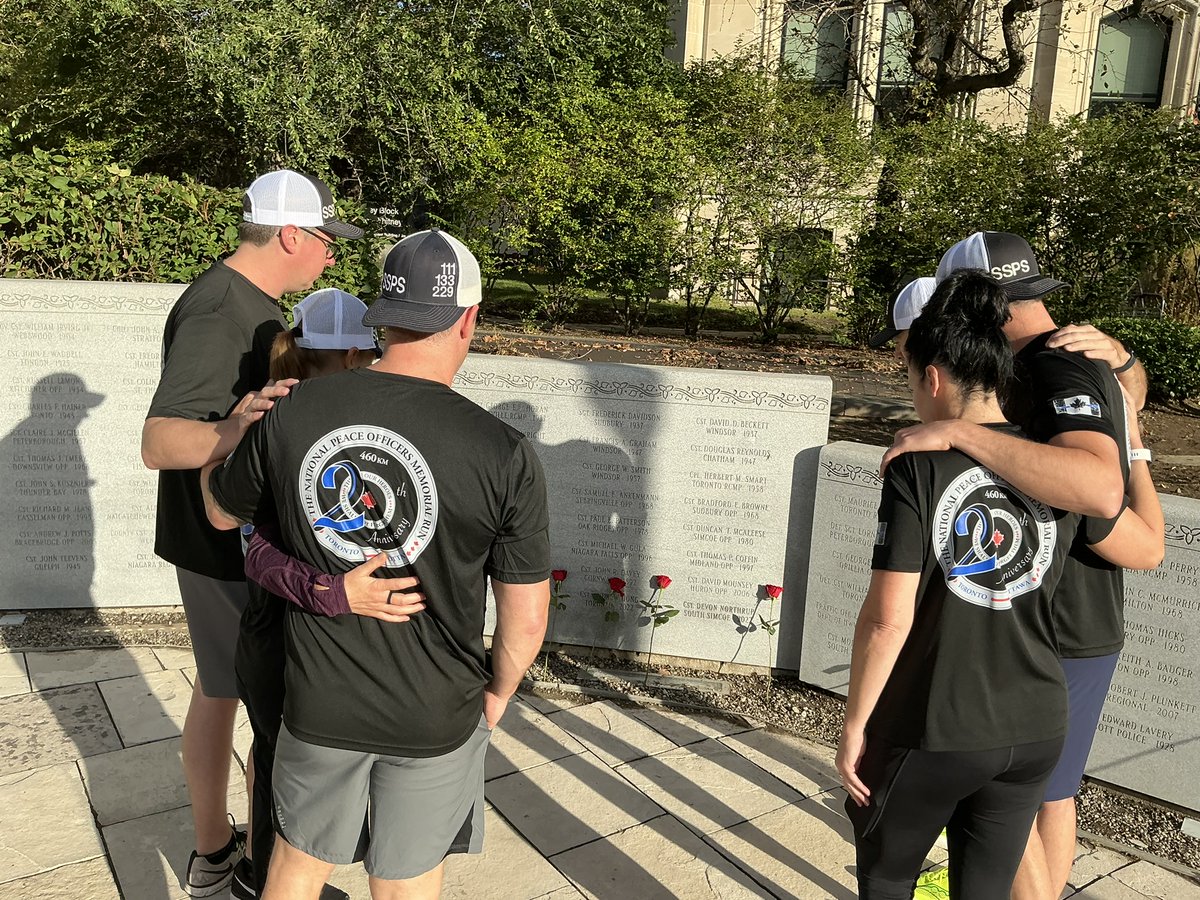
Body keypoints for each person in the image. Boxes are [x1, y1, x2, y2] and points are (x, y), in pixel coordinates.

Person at [204, 228, 551, 900]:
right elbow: (526, 618)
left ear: (382, 317)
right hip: (436, 710)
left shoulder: (295, 408)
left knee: (297, 867)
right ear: (470, 318)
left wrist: (228, 437)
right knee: (405, 883)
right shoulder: (504, 452)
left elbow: (222, 513)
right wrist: (498, 694)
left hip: (320, 701)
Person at [837, 270, 1162, 899]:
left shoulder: (918, 465)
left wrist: (856, 724)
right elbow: (1143, 543)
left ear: (932, 376)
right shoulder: (1057, 469)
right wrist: (1131, 437)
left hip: (940, 722)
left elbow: (888, 619)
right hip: (1035, 725)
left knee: (887, 878)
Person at [141, 169, 364, 897]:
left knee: (222, 689)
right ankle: (251, 867)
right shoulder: (219, 310)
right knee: (267, 705)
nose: (333, 254)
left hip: (229, 539)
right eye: (328, 240)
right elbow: (161, 441)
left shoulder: (253, 303)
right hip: (222, 545)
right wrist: (236, 427)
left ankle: (215, 852)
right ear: (293, 234)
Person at [225, 287, 426, 898]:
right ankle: (267, 878)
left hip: (302, 634)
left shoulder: (286, 407)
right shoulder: (276, 413)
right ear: (348, 357)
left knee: (283, 763)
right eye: (369, 354)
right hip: (287, 630)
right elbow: (249, 541)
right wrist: (331, 593)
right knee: (282, 766)